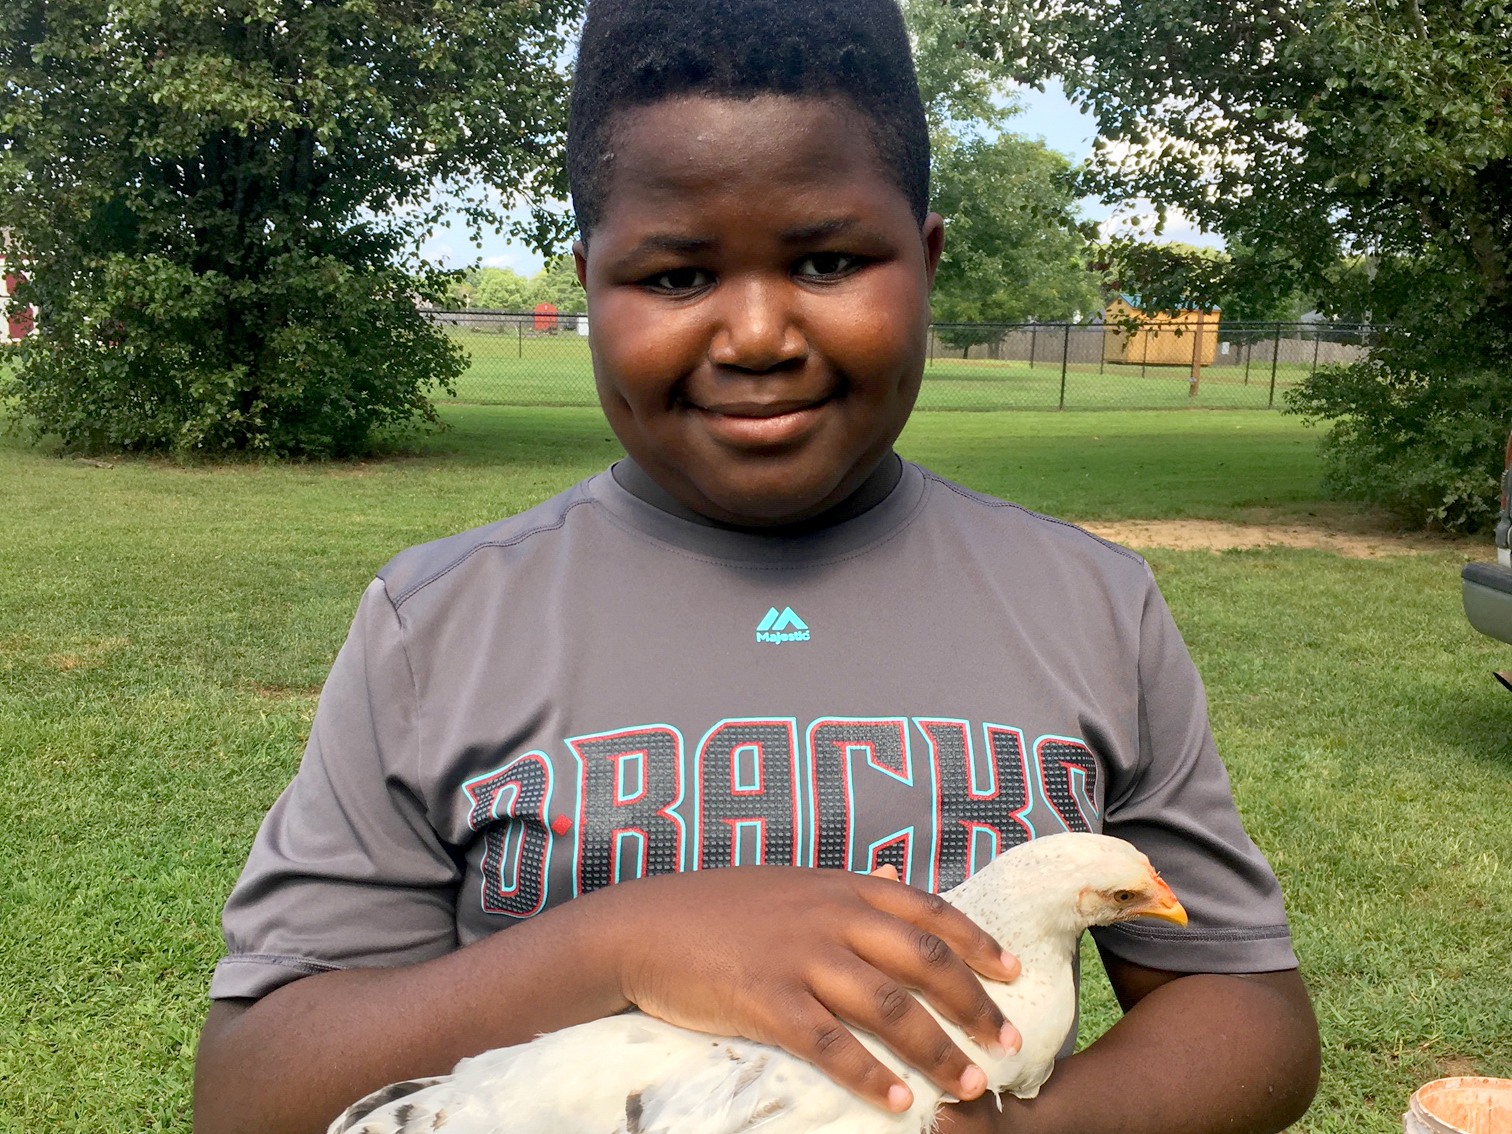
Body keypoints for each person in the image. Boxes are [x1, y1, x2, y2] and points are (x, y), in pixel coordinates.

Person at [192, 1, 1321, 1131]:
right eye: (678, 278)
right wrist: (622, 943)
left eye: (828, 260)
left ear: (925, 263)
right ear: (587, 285)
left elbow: (1247, 1017)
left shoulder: (1088, 605)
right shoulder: (437, 627)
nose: (757, 334)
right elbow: (253, 1092)